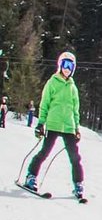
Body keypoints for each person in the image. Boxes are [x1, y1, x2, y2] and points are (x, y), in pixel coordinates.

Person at [19, 51, 84, 200]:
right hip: (53, 124)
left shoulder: (73, 88)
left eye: (70, 66)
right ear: (60, 66)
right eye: (65, 65)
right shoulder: (52, 82)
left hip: (68, 127)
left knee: (75, 157)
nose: (67, 69)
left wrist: (76, 128)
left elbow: (75, 110)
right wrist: (41, 123)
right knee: (44, 152)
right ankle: (31, 176)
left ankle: (78, 184)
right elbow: (45, 104)